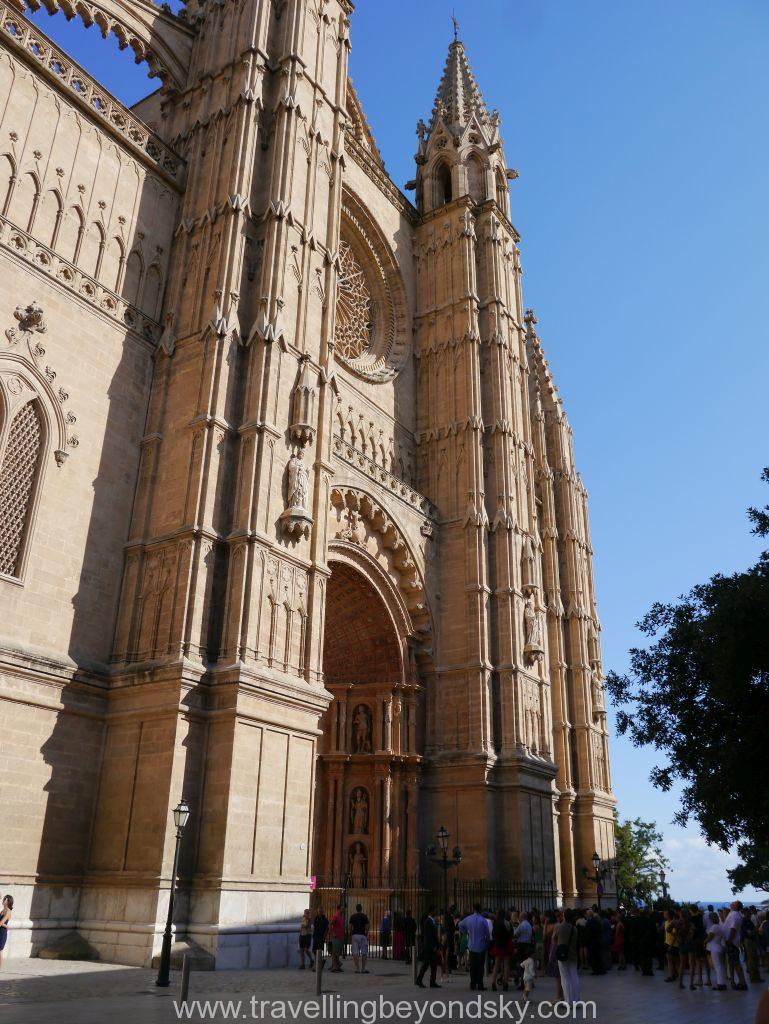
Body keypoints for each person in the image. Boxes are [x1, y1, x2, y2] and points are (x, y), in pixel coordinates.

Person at [460, 903, 491, 992]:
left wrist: (465, 931)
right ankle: (480, 983)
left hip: (472, 945)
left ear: (473, 908)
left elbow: (460, 925)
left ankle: (472, 983)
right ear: (480, 909)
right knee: (480, 966)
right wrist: (487, 942)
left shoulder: (468, 919)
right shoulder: (483, 920)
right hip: (481, 946)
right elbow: (487, 934)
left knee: (473, 966)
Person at [554, 908, 580, 1005]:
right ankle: (577, 1000)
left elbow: (554, 938)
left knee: (565, 978)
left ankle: (568, 1001)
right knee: (574, 976)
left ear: (564, 916)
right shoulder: (575, 928)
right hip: (573, 954)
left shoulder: (559, 927)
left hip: (562, 954)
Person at [724, 900, 748, 990]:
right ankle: (736, 982)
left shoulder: (734, 915)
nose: (731, 903)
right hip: (733, 942)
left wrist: (729, 940)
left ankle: (742, 983)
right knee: (733, 963)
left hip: (732, 942)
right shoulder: (735, 914)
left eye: (733, 903)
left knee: (736, 963)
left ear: (735, 906)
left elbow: (733, 928)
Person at [416, 906, 440, 988]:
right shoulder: (428, 922)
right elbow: (428, 936)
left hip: (431, 947)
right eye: (434, 911)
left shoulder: (432, 921)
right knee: (427, 965)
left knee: (431, 965)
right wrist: (432, 946)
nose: (435, 912)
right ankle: (421, 980)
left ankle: (430, 981)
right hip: (429, 947)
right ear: (431, 912)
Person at [489, 909, 512, 992]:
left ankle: (493, 982)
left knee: (496, 964)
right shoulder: (507, 923)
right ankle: (505, 983)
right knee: (506, 965)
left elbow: (493, 934)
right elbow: (511, 934)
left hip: (498, 945)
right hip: (506, 944)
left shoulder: (495, 923)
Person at [706, 910, 727, 990]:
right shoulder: (719, 926)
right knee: (720, 966)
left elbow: (710, 937)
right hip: (719, 946)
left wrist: (704, 941)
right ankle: (722, 982)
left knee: (717, 966)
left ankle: (720, 984)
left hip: (714, 948)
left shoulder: (714, 927)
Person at [349, 903, 369, 974]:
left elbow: (350, 927)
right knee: (364, 952)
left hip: (355, 935)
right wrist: (366, 934)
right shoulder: (364, 916)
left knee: (355, 952)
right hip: (362, 935)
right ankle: (363, 969)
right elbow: (367, 926)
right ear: (361, 908)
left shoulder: (352, 916)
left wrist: (351, 934)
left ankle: (357, 969)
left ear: (356, 909)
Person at [329, 903, 345, 972]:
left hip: (340, 936)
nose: (343, 909)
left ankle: (337, 966)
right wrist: (333, 933)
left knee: (338, 952)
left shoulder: (341, 916)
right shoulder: (336, 916)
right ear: (339, 909)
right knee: (335, 952)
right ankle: (334, 967)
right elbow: (330, 924)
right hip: (336, 937)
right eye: (342, 908)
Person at [663, 908, 679, 981]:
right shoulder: (666, 922)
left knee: (672, 960)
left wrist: (671, 945)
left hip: (673, 945)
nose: (664, 915)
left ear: (669, 915)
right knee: (670, 960)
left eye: (665, 914)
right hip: (667, 943)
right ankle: (674, 974)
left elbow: (675, 935)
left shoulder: (673, 923)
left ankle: (671, 976)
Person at [0, 895, 12, 967]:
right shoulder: (2, 910)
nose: (3, 900)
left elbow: (0, 923)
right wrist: (6, 926)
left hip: (2, 933)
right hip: (1, 930)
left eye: (5, 899)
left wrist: (4, 925)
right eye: (4, 898)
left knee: (0, 950)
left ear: (8, 902)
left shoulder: (8, 911)